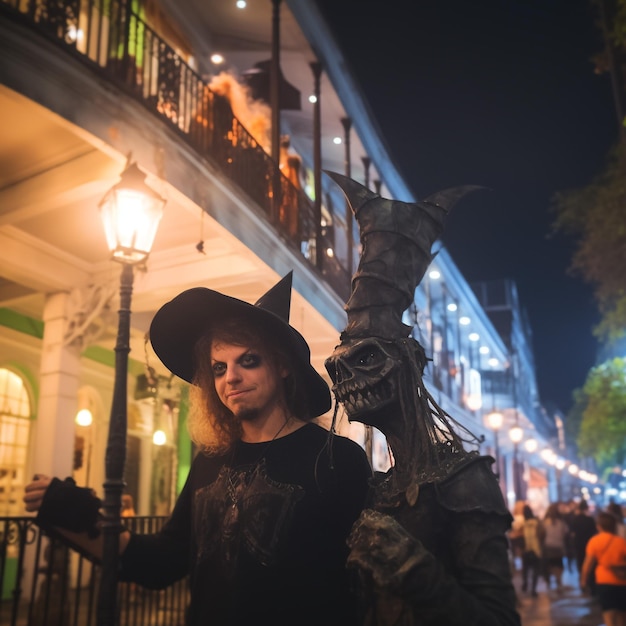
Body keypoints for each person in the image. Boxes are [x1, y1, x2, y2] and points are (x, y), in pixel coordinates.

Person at [23, 272, 373, 626]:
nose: (230, 377)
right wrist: (73, 517)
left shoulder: (337, 460)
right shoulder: (211, 460)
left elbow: (368, 584)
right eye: (218, 368)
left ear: (283, 365)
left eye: (248, 360)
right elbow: (159, 563)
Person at [324, 172, 521, 625]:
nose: (345, 377)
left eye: (366, 359)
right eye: (338, 367)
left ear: (410, 362)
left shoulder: (464, 480)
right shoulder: (375, 488)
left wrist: (415, 571)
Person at [580, 510, 626, 626]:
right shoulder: (621, 542)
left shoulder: (594, 541)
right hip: (621, 581)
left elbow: (588, 564)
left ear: (599, 526)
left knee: (608, 613)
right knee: (622, 615)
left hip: (603, 581)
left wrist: (583, 580)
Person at [570, 499, 598, 588]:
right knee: (590, 564)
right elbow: (595, 532)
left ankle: (582, 582)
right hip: (589, 544)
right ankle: (590, 584)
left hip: (578, 545)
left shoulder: (575, 520)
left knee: (580, 563)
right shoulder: (590, 520)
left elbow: (572, 533)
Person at [542, 502, 569, 591]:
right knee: (559, 564)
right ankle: (559, 580)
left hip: (548, 546)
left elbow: (542, 534)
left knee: (550, 564)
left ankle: (550, 581)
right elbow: (566, 533)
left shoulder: (545, 522)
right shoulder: (561, 522)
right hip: (559, 546)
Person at [521, 503, 545, 597]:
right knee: (536, 570)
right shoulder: (537, 522)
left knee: (525, 569)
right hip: (536, 549)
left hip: (526, 549)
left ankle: (525, 583)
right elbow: (542, 534)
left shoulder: (523, 524)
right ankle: (533, 590)